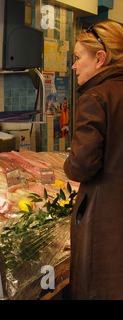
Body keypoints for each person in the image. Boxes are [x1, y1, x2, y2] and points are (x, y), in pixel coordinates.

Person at [64, 21, 123, 300]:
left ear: (100, 59)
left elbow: (82, 165)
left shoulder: (96, 96)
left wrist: (67, 163)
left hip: (107, 216)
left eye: (77, 58)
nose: (74, 67)